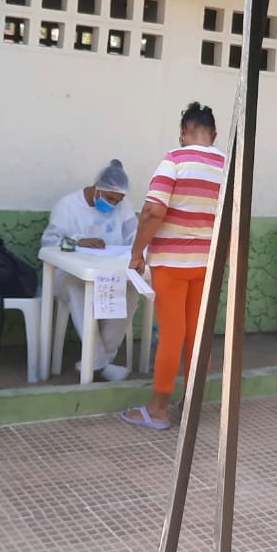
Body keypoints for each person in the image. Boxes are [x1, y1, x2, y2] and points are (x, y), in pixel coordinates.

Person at [121, 103, 225, 429]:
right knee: (198, 338)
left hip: (171, 264)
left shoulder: (175, 160)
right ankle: (191, 408)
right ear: (214, 134)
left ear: (183, 132)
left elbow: (153, 211)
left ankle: (158, 410)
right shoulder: (227, 166)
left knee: (171, 336)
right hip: (208, 266)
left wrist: (137, 252)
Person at [40, 159, 139, 381]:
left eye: (119, 200)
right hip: (69, 276)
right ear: (97, 187)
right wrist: (78, 242)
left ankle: (98, 361)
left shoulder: (122, 208)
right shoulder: (68, 206)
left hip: (110, 275)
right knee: (80, 289)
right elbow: (49, 242)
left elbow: (134, 237)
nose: (114, 205)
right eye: (110, 198)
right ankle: (99, 362)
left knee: (131, 293)